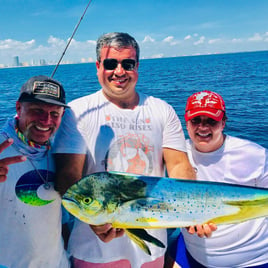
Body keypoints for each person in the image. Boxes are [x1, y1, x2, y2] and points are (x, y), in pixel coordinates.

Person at [52, 32, 198, 268]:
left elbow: (179, 166)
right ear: (98, 66)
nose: (119, 71)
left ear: (137, 66)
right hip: (94, 249)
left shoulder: (162, 110)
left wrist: (194, 212)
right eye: (111, 63)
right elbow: (69, 174)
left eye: (127, 64)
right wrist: (94, 221)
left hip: (152, 246)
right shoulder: (77, 111)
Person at [174, 90, 268, 267]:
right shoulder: (176, 155)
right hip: (191, 255)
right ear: (186, 122)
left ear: (223, 122)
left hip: (255, 260)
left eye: (211, 121)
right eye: (196, 120)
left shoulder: (254, 155)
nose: (203, 127)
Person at [0, 75, 70, 267]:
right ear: (18, 108)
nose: (46, 120)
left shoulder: (60, 152)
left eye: (54, 114)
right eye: (37, 110)